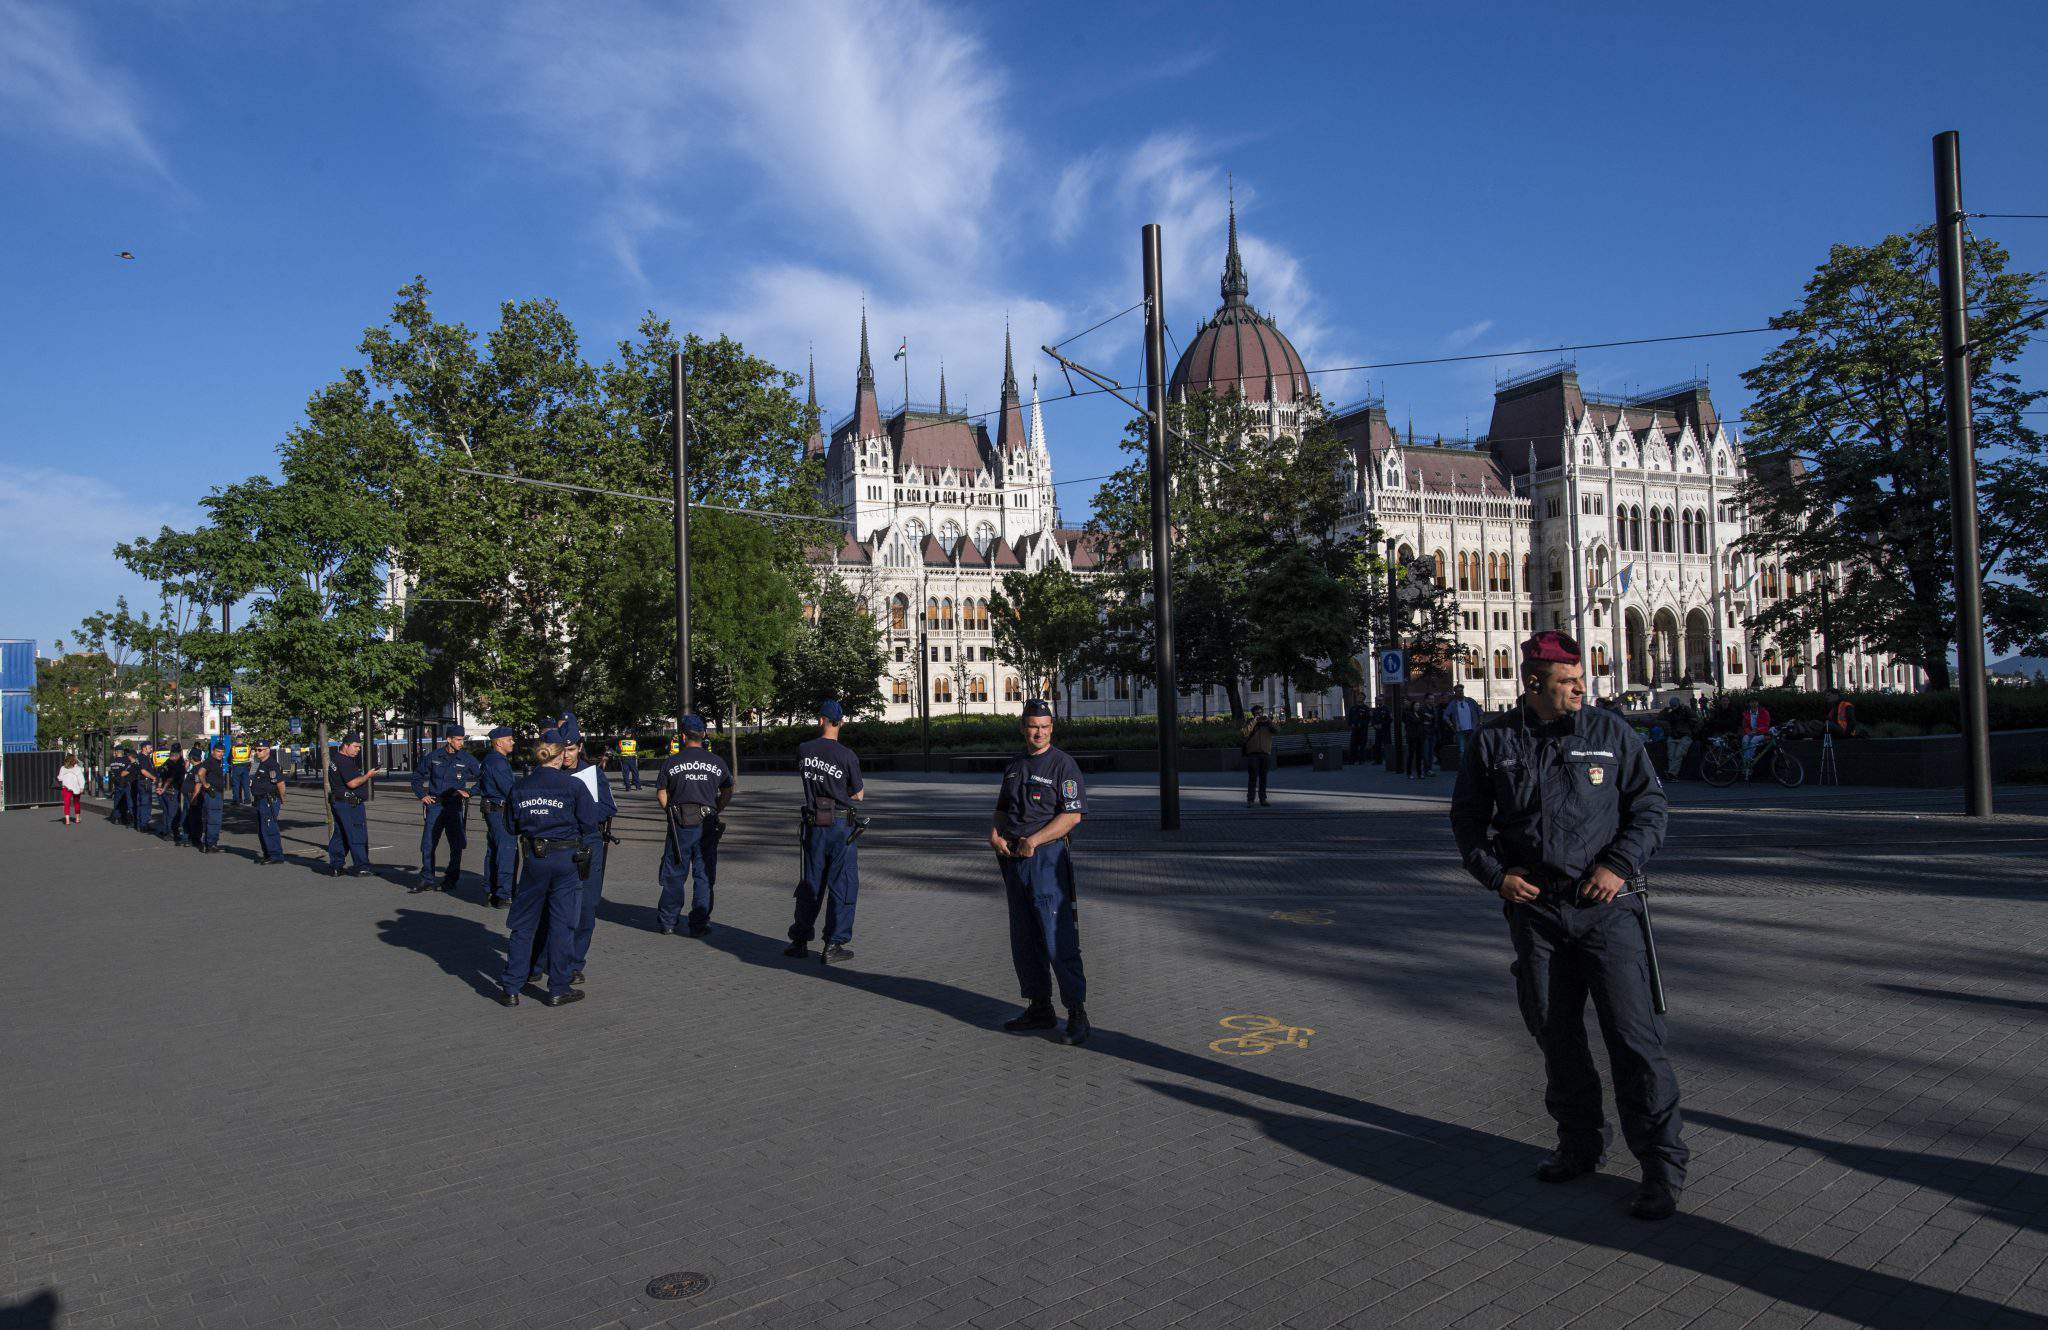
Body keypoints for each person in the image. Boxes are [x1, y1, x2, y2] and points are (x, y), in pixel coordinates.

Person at [1449, 630, 1686, 1221]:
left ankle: (1660, 1167)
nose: (1582, 690)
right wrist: (1495, 876)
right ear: (1534, 684)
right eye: (1568, 683)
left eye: (1582, 680)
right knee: (1556, 1036)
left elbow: (1651, 808)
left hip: (1608, 911)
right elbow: (1467, 819)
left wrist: (1619, 864)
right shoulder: (1494, 741)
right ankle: (1579, 1144)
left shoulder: (1611, 734)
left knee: (1634, 1039)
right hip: (1537, 915)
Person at [990, 699, 1090, 1046]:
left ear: (1052, 728)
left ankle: (1077, 1012)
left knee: (1056, 936)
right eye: (1033, 726)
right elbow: (1003, 808)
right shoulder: (1015, 765)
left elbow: (1072, 816)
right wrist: (995, 832)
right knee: (1025, 937)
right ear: (1023, 727)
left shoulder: (1064, 765)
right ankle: (1039, 1006)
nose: (1039, 732)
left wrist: (1035, 839)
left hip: (1046, 860)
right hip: (1015, 859)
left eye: (1045, 726)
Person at [499, 734, 599, 1008]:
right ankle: (558, 987)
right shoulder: (574, 785)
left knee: (523, 924)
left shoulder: (520, 787)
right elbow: (590, 823)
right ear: (559, 757)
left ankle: (511, 987)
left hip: (535, 858)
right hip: (566, 859)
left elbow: (511, 826)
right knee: (562, 924)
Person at [786, 699, 864, 963]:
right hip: (841, 827)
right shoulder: (847, 755)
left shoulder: (804, 749)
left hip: (813, 825)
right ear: (840, 723)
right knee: (842, 884)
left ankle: (799, 940)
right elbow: (859, 793)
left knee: (811, 882)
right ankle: (833, 944)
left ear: (821, 720)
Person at [655, 714, 732, 937]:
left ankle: (668, 922)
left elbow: (661, 793)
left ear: (682, 736)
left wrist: (670, 813)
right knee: (704, 874)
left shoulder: (672, 761)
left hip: (680, 823)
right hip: (707, 824)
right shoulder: (717, 762)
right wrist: (717, 807)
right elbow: (728, 789)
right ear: (704, 735)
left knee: (674, 873)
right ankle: (699, 922)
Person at [560, 716, 616, 987]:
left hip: (587, 845)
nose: (567, 755)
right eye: (562, 749)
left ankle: (574, 962)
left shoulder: (593, 774)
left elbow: (608, 808)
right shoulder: (550, 773)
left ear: (580, 747)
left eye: (571, 749)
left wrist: (582, 814)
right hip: (557, 848)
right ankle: (550, 957)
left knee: (586, 908)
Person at [410, 724, 481, 894]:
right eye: (458, 740)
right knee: (428, 843)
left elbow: (484, 779)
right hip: (435, 804)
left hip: (454, 805)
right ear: (448, 739)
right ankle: (427, 878)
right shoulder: (434, 756)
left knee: (455, 844)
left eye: (462, 739)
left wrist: (470, 792)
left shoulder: (466, 758)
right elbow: (417, 777)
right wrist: (422, 795)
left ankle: (451, 879)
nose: (461, 743)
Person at [324, 734, 380, 877]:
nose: (357, 750)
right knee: (357, 834)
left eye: (359, 747)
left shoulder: (335, 759)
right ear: (346, 745)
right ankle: (361, 866)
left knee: (340, 834)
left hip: (340, 802)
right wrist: (368, 775)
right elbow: (352, 783)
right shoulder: (344, 761)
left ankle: (336, 866)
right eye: (355, 747)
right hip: (350, 804)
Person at [478, 725, 520, 908]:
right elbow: (508, 789)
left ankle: (491, 890)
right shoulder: (498, 762)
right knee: (506, 851)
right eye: (509, 739)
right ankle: (504, 894)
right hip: (501, 811)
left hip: (493, 810)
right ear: (498, 743)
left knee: (494, 850)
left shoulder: (491, 760)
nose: (512, 742)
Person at [249, 739, 286, 864]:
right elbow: (252, 780)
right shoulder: (257, 764)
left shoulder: (272, 765)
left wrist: (282, 799)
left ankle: (276, 855)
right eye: (256, 750)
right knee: (261, 828)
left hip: (269, 799)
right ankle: (267, 853)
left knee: (269, 827)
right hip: (259, 800)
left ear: (267, 750)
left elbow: (280, 783)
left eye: (260, 750)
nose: (257, 752)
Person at [1240, 705, 1276, 807]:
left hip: (1265, 753)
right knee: (1252, 778)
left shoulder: (1267, 723)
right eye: (1256, 713)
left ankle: (1263, 799)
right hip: (1253, 754)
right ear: (1253, 714)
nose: (1259, 715)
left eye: (1260, 713)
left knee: (1263, 778)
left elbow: (1277, 730)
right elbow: (1245, 733)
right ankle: (1250, 800)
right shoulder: (1250, 722)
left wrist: (1268, 721)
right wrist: (1254, 721)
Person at [194, 741, 226, 852]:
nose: (220, 754)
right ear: (213, 751)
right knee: (214, 819)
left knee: (211, 819)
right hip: (213, 794)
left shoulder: (217, 762)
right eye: (218, 751)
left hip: (215, 794)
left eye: (222, 752)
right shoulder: (210, 761)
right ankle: (211, 844)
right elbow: (200, 773)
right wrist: (206, 785)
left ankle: (207, 843)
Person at [1443, 685, 1482, 766]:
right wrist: (1451, 725)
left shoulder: (1470, 701)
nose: (1460, 692)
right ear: (1455, 693)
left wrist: (1479, 723)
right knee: (1462, 750)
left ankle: (1473, 765)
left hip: (1472, 729)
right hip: (1460, 730)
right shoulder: (1453, 704)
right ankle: (1463, 767)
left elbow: (1480, 712)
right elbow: (1445, 715)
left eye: (1461, 691)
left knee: (1473, 748)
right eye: (1458, 691)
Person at [157, 743, 188, 845]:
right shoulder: (177, 764)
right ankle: (171, 833)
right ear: (179, 753)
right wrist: (163, 788)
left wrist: (160, 787)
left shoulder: (166, 762)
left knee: (166, 812)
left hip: (165, 791)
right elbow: (170, 778)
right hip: (172, 791)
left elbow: (160, 775)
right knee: (173, 813)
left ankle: (166, 831)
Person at [1739, 697, 1772, 771]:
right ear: (1749, 704)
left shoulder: (1764, 712)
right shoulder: (1746, 714)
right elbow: (1745, 726)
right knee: (1745, 740)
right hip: (1750, 732)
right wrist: (1749, 732)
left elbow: (1766, 725)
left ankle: (1748, 760)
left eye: (1755, 702)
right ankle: (1746, 761)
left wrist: (1757, 730)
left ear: (1758, 703)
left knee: (1754, 740)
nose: (1753, 703)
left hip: (1762, 733)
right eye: (1751, 702)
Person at [106, 746, 133, 826]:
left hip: (117, 784)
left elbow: (112, 772)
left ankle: (117, 818)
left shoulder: (112, 762)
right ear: (122, 752)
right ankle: (130, 817)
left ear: (116, 752)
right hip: (125, 783)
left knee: (117, 801)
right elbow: (129, 770)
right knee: (128, 801)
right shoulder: (126, 760)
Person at [58, 753, 85, 825]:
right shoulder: (77, 769)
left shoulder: (63, 768)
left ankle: (67, 820)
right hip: (76, 787)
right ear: (74, 760)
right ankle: (77, 818)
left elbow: (60, 778)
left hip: (65, 788)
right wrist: (82, 787)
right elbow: (81, 779)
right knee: (76, 803)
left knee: (66, 803)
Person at [229, 736, 252, 806]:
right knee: (246, 785)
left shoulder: (233, 748)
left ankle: (236, 800)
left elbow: (229, 758)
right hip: (245, 768)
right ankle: (247, 800)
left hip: (236, 768)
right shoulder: (248, 748)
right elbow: (249, 757)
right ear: (242, 740)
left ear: (237, 740)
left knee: (236, 785)